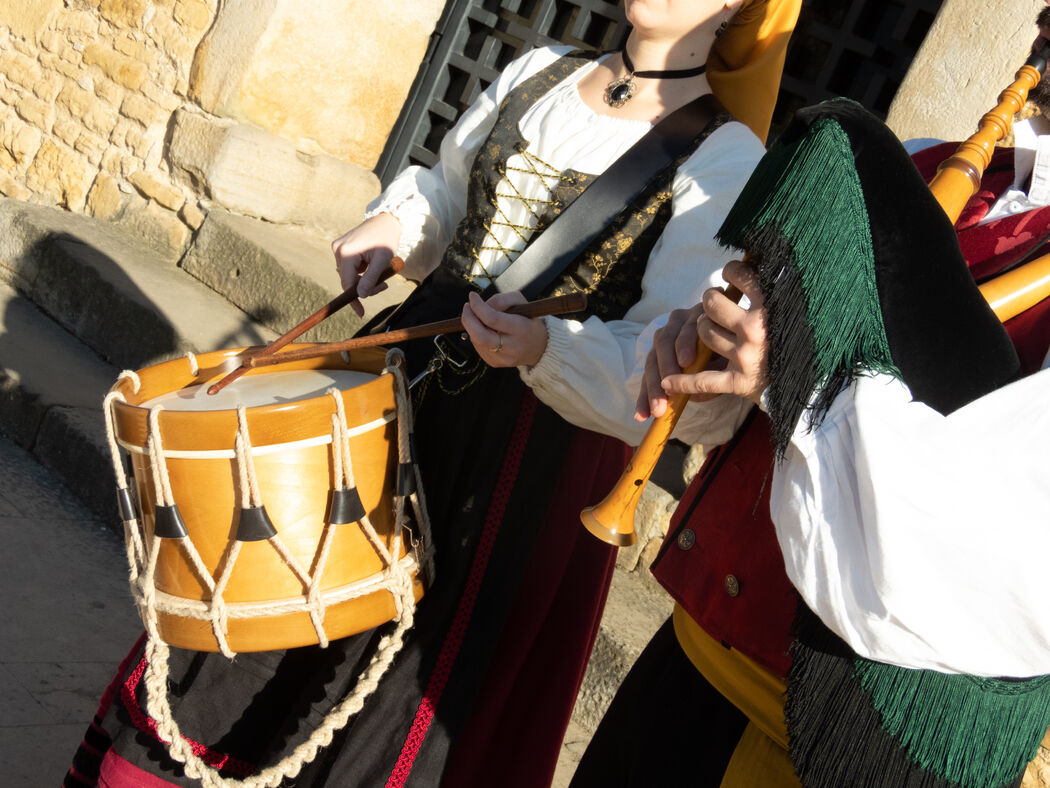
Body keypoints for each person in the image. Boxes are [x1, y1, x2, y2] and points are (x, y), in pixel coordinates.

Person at [64, 2, 801, 786]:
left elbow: (670, 358)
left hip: (524, 454)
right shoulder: (538, 72)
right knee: (279, 591)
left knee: (401, 679)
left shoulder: (726, 158)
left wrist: (548, 346)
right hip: (399, 393)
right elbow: (447, 196)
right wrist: (394, 228)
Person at [572, 98, 1050, 787]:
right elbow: (750, 403)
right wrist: (702, 345)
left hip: (842, 737)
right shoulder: (912, 163)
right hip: (692, 651)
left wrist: (795, 371)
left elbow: (1004, 536)